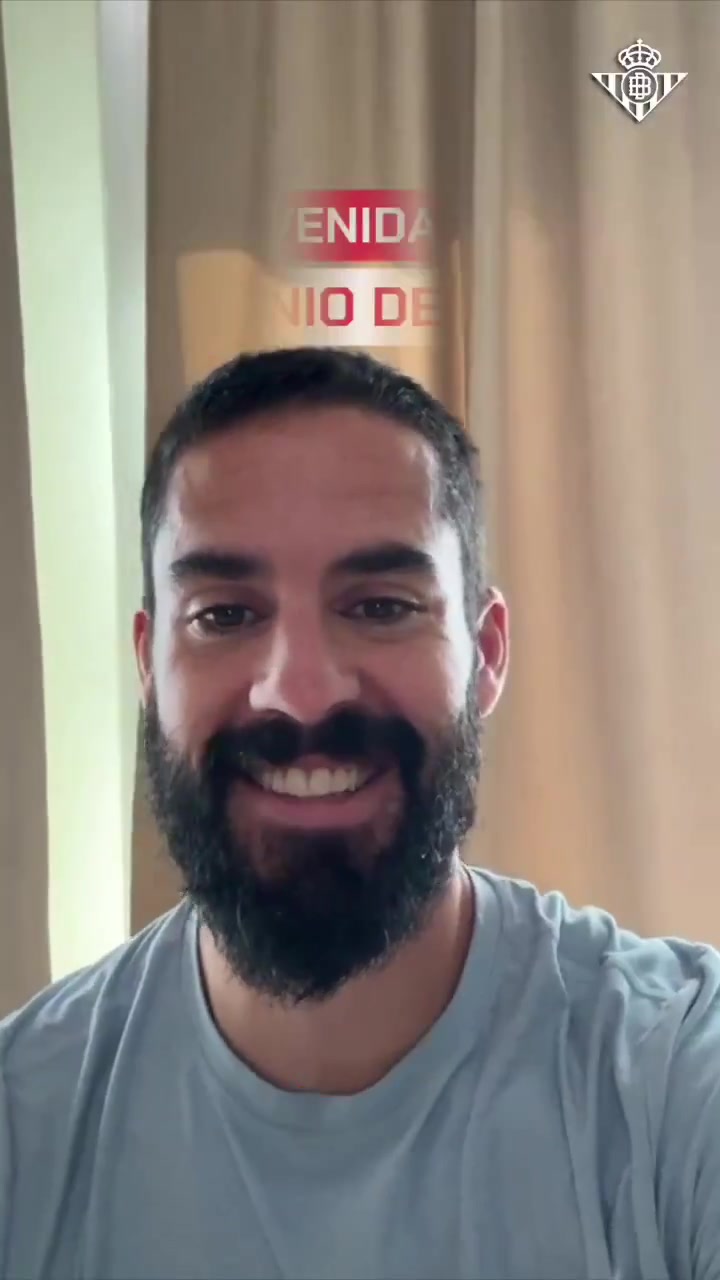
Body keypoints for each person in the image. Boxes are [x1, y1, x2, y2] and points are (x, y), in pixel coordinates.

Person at [0, 347, 718, 1280]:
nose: (300, 693)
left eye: (380, 606)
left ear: (487, 653)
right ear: (148, 665)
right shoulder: (24, 1127)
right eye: (224, 616)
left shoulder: (673, 1086)